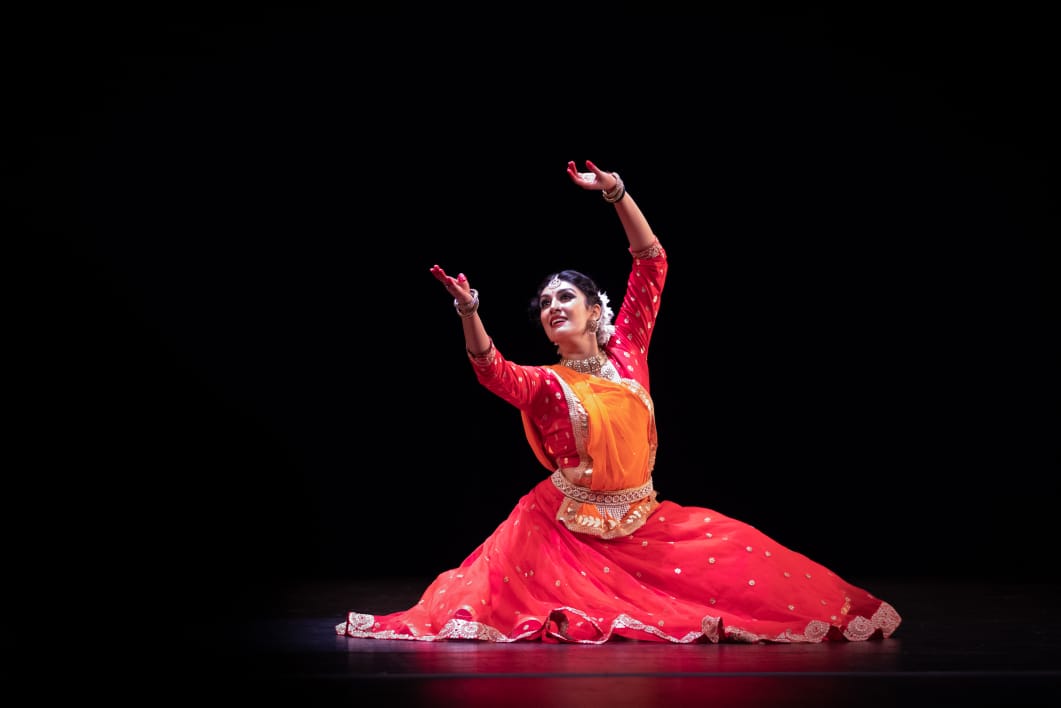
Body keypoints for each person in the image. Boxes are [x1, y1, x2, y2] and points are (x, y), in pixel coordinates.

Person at [336, 159, 902, 643]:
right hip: (562, 529)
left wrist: (617, 193)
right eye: (544, 304)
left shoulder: (628, 349)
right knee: (502, 609)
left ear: (594, 308)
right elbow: (493, 373)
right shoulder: (546, 381)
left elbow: (652, 261)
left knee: (748, 560)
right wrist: (468, 312)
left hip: (641, 519)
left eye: (566, 295)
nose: (553, 305)